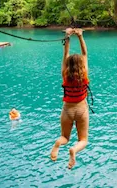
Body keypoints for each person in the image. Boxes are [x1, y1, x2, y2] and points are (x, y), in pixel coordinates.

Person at [50, 28, 90, 169]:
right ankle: (74, 151)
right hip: (81, 110)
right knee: (83, 140)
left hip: (67, 110)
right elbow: (84, 53)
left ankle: (58, 144)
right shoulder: (84, 74)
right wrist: (80, 36)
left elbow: (65, 53)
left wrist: (67, 35)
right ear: (81, 66)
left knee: (64, 138)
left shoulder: (65, 74)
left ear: (68, 66)